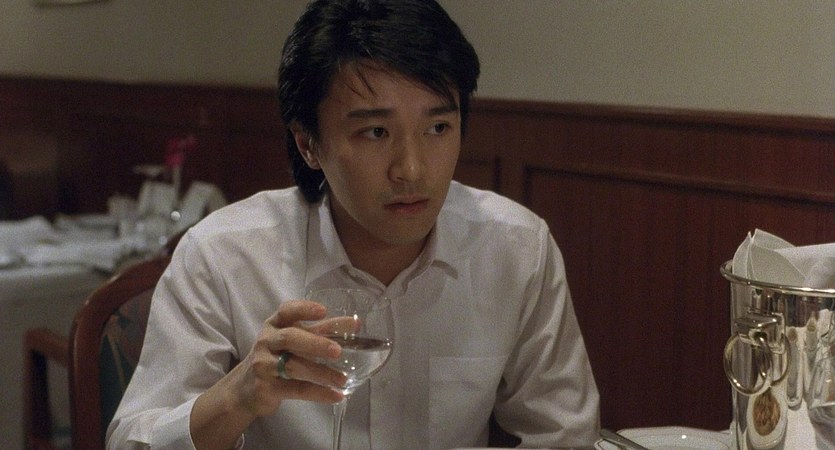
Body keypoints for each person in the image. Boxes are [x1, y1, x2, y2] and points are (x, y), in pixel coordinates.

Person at [107, 1, 600, 448]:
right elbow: (132, 442)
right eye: (376, 132)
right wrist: (238, 396)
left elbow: (565, 436)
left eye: (437, 128)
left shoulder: (516, 248)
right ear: (308, 144)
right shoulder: (224, 255)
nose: (411, 169)